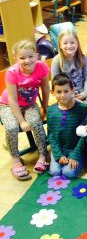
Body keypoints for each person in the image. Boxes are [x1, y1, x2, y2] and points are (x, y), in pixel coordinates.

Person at [0, 40, 49, 180]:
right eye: (22, 58)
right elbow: (12, 100)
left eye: (30, 56)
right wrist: (21, 121)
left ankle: (43, 154)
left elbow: (45, 88)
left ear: (36, 55)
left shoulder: (42, 67)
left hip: (29, 104)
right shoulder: (12, 72)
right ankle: (15, 159)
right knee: (11, 127)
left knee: (36, 122)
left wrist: (45, 108)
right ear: (15, 58)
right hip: (8, 105)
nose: (27, 60)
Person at [47, 73, 87, 178]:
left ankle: (83, 160)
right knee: (55, 172)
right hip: (59, 150)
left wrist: (75, 155)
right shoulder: (50, 110)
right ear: (52, 92)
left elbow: (84, 135)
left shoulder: (82, 109)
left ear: (72, 90)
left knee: (68, 173)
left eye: (66, 91)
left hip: (76, 150)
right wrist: (58, 155)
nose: (62, 95)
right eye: (58, 92)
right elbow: (51, 135)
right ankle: (55, 157)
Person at [51, 29, 87, 102]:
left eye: (72, 42)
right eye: (65, 43)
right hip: (65, 94)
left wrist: (86, 93)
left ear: (77, 44)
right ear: (60, 45)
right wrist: (70, 96)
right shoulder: (56, 61)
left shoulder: (83, 58)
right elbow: (56, 84)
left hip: (82, 92)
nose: (69, 46)